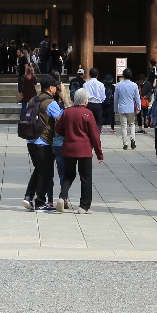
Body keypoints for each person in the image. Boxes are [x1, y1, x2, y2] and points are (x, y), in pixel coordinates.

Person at [56, 88, 105, 213]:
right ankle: (84, 206)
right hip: (84, 149)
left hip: (68, 148)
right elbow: (94, 135)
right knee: (86, 178)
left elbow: (58, 129)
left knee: (69, 174)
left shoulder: (67, 112)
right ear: (85, 101)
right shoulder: (88, 113)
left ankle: (62, 197)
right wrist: (99, 153)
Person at [23, 76, 62, 212]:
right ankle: (40, 202)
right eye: (55, 87)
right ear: (51, 88)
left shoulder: (34, 99)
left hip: (31, 139)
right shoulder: (50, 102)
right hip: (43, 141)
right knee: (44, 172)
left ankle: (28, 197)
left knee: (38, 170)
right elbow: (60, 119)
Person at [114, 68, 141, 150]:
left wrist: (115, 108)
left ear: (123, 75)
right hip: (131, 107)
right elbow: (137, 97)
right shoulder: (134, 85)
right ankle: (133, 139)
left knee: (123, 126)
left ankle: (125, 143)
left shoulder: (118, 85)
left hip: (122, 107)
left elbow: (116, 98)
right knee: (132, 124)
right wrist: (139, 107)